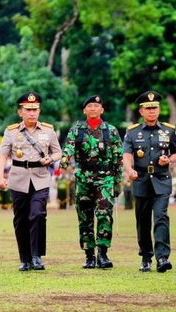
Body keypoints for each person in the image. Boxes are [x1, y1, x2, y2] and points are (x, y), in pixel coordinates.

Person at [0, 91, 62, 272]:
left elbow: (58, 152)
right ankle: (24, 258)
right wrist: (0, 177)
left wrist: (51, 159)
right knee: (21, 219)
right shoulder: (11, 132)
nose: (32, 113)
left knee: (38, 214)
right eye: (28, 109)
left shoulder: (48, 130)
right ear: (20, 112)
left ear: (39, 111)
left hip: (40, 178)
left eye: (35, 109)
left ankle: (36, 256)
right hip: (18, 178)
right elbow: (2, 155)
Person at [60, 95, 123, 269]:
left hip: (106, 178)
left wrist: (118, 182)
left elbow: (118, 157)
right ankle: (89, 255)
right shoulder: (77, 130)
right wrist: (64, 159)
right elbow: (69, 147)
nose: (93, 108)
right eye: (90, 106)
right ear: (84, 110)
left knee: (104, 214)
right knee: (85, 217)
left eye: (96, 106)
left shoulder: (111, 130)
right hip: (83, 178)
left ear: (102, 109)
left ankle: (102, 254)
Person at [123, 90, 176, 273]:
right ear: (141, 111)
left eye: (154, 108)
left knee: (161, 216)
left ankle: (162, 257)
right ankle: (146, 257)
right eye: (147, 109)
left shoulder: (169, 130)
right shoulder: (132, 132)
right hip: (141, 180)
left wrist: (169, 160)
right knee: (143, 220)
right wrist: (129, 170)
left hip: (161, 179)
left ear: (159, 109)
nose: (151, 111)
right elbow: (127, 155)